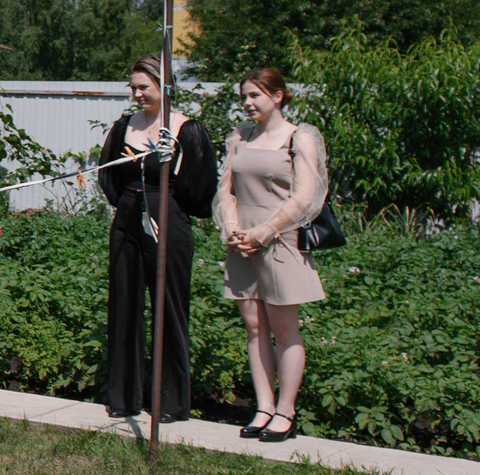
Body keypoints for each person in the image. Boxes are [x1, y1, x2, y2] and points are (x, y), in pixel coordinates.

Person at [97, 56, 216, 423]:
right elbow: (109, 176)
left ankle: (171, 401)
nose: (136, 94)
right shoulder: (123, 127)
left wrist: (175, 163)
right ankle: (123, 396)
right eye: (133, 88)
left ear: (163, 87)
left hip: (169, 221)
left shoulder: (187, 129)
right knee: (124, 306)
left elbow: (201, 187)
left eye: (143, 88)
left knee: (169, 308)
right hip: (128, 221)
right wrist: (129, 204)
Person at [217, 69, 330, 443]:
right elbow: (226, 190)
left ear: (278, 96)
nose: (248, 103)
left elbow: (306, 197)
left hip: (280, 241)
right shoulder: (239, 137)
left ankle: (286, 411)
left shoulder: (300, 137)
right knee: (253, 327)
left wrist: (263, 233)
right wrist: (233, 231)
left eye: (256, 96)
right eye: (244, 96)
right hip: (241, 244)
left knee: (284, 329)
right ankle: (263, 407)